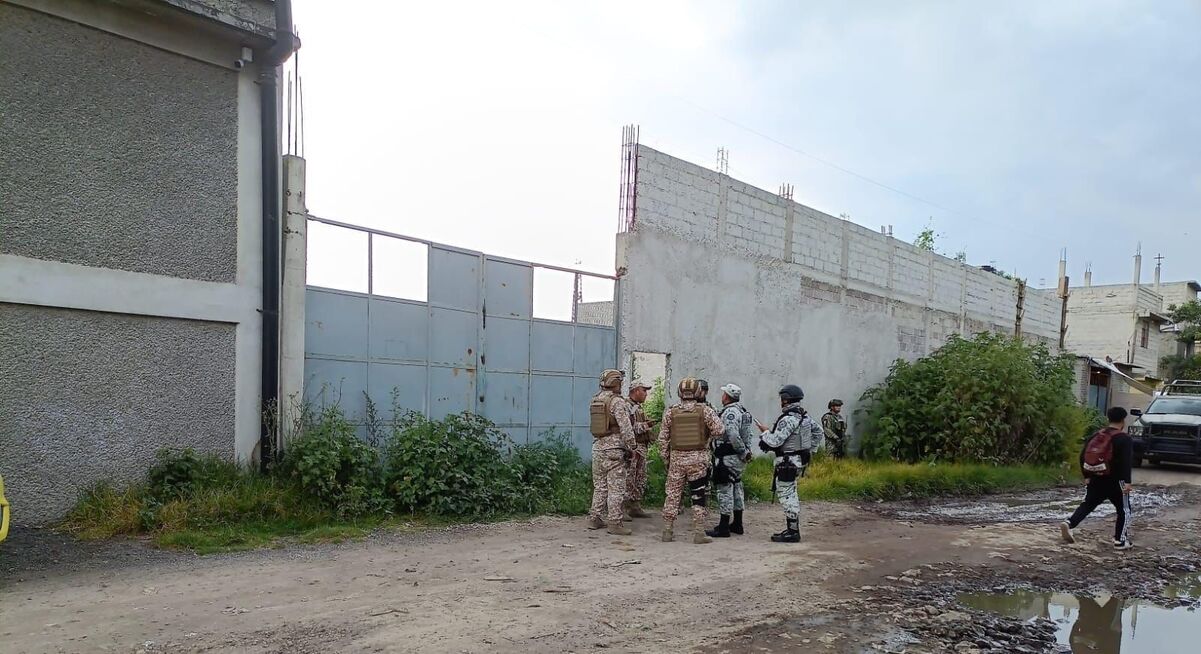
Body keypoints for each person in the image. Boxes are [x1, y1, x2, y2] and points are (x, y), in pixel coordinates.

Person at [658, 377, 725, 544]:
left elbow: (662, 439)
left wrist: (666, 460)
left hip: (677, 460)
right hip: (698, 459)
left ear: (680, 392)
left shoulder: (670, 411)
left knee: (672, 495)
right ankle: (699, 533)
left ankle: (667, 531)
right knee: (698, 495)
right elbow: (720, 430)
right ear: (698, 392)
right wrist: (706, 437)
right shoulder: (705, 411)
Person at [755, 384, 823, 543]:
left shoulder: (788, 419)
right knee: (791, 492)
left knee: (787, 495)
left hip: (787, 462)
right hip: (798, 461)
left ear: (786, 400)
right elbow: (818, 432)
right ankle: (792, 529)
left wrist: (765, 432)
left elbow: (774, 441)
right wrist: (809, 450)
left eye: (782, 399)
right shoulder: (804, 417)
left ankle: (793, 532)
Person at [1060, 406, 1134, 549]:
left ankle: (1069, 523)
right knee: (1124, 509)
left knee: (1088, 504)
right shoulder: (1124, 438)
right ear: (1123, 420)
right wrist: (1127, 482)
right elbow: (1126, 461)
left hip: (1096, 478)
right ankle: (1120, 540)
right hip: (1116, 481)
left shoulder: (1096, 435)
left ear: (1108, 418)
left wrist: (1086, 475)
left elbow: (1082, 456)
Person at [586, 369, 637, 536]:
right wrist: (632, 447)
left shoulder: (595, 400)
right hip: (614, 449)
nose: (621, 385)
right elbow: (626, 427)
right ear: (614, 383)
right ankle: (615, 523)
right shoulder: (617, 402)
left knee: (599, 486)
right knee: (616, 488)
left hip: (597, 447)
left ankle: (595, 518)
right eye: (620, 382)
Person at [706, 383, 754, 538]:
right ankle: (737, 523)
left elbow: (732, 434)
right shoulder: (742, 411)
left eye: (723, 394)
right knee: (736, 487)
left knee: (724, 489)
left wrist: (742, 452)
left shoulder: (730, 413)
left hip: (728, 457)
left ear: (726, 396)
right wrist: (746, 452)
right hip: (736, 458)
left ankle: (724, 526)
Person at [624, 379, 656, 519]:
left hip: (642, 448)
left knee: (640, 478)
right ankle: (622, 508)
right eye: (644, 390)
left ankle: (635, 506)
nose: (646, 394)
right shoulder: (627, 406)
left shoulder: (638, 407)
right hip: (633, 448)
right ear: (636, 390)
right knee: (629, 478)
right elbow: (629, 428)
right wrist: (646, 425)